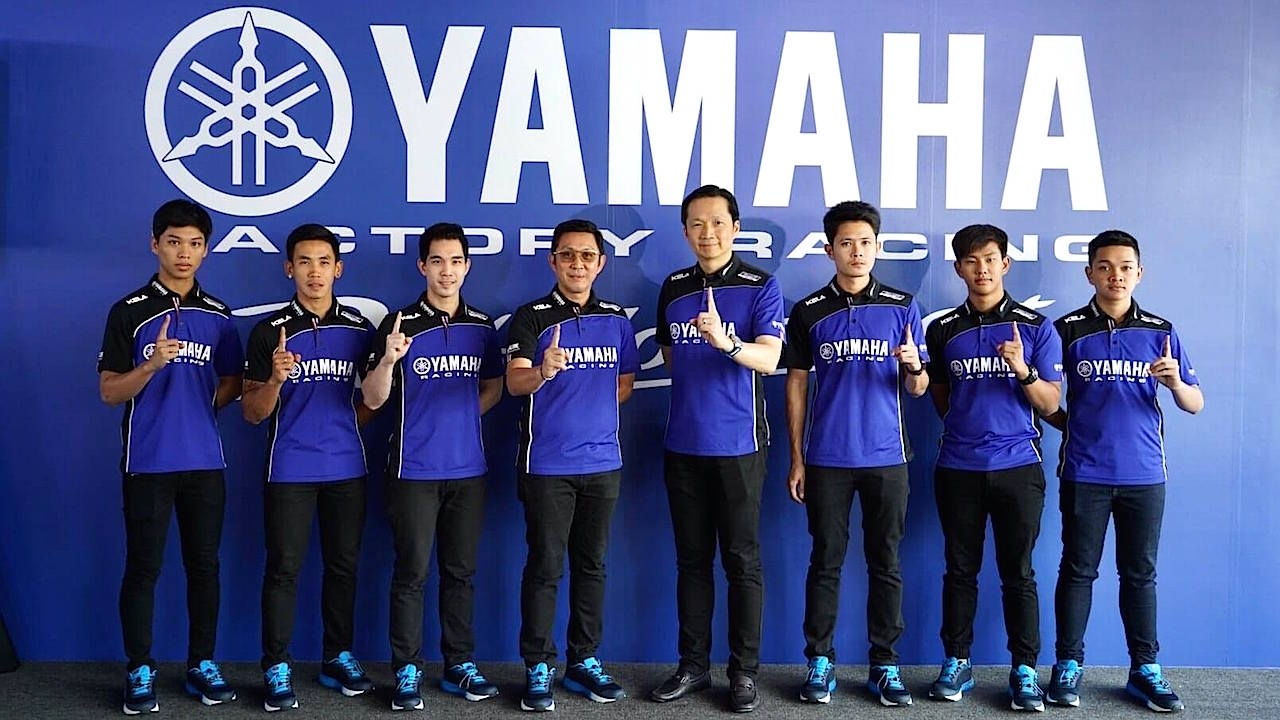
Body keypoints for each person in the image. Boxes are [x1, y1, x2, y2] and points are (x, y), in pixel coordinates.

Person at [1043, 230, 1202, 713]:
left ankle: (1145, 669)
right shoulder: (1067, 330)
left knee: (1139, 574)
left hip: (1144, 474)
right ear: (1089, 273)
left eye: (1126, 267)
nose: (1116, 276)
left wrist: (1175, 384)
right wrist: (1074, 425)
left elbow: (1195, 403)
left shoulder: (1160, 331)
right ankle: (1067, 665)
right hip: (1085, 472)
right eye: (1105, 267)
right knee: (1077, 570)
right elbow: (1046, 398)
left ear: (1139, 273)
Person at [98, 199, 243, 715]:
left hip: (205, 462)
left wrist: (201, 405)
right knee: (144, 568)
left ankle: (202, 664)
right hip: (148, 462)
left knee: (205, 567)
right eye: (175, 242)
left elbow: (233, 381)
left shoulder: (219, 315)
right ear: (155, 244)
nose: (185, 253)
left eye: (195, 244)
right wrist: (151, 367)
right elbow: (109, 391)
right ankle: (139, 669)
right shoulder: (129, 311)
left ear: (206, 251)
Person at [782, 201, 928, 707]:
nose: (857, 252)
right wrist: (797, 457)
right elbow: (796, 385)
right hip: (827, 459)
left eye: (865, 243)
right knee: (825, 562)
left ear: (877, 247)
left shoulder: (902, 306)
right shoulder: (808, 311)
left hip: (888, 458)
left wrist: (914, 367)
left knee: (885, 562)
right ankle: (820, 662)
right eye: (846, 243)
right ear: (830, 250)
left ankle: (884, 665)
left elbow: (918, 388)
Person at [650, 185, 784, 714]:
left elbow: (769, 359)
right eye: (697, 224)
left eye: (718, 223)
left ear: (735, 228)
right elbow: (670, 354)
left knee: (741, 561)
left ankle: (743, 672)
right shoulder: (674, 287)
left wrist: (725, 343)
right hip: (683, 443)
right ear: (686, 231)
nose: (708, 233)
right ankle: (693, 665)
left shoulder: (760, 285)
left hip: (740, 444)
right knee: (692, 560)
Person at [361, 223, 504, 711]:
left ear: (467, 266)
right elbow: (372, 399)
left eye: (455, 261)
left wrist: (461, 418)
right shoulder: (399, 324)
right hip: (412, 471)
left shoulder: (482, 326)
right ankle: (406, 670)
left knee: (460, 573)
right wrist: (387, 361)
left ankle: (458, 664)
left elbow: (494, 386)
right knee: (411, 574)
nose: (447, 271)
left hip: (468, 470)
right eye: (437, 261)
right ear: (422, 266)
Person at [923, 224, 1062, 712]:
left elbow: (1050, 404)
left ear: (1005, 264)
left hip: (1018, 467)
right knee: (959, 570)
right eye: (971, 261)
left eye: (990, 259)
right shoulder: (942, 329)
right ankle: (956, 662)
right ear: (959, 268)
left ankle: (1024, 670)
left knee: (1018, 573)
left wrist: (1022, 369)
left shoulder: (1036, 327)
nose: (981, 269)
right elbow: (942, 398)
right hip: (958, 467)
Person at [505, 219, 639, 712]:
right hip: (546, 464)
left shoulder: (617, 319)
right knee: (545, 566)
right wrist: (544, 371)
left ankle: (583, 661)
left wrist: (591, 413)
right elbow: (515, 383)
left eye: (586, 256)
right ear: (553, 261)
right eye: (567, 255)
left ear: (600, 263)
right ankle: (538, 666)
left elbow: (624, 383)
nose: (577, 264)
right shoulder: (532, 317)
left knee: (592, 564)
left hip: (603, 462)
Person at [241, 224, 375, 712]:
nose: (314, 272)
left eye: (323, 262)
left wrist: (345, 423)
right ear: (289, 269)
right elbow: (252, 413)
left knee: (343, 567)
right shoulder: (269, 332)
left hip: (346, 468)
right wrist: (275, 379)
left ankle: (337, 656)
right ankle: (276, 665)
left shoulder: (359, 329)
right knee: (284, 569)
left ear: (338, 269)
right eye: (304, 262)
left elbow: (374, 398)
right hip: (289, 469)